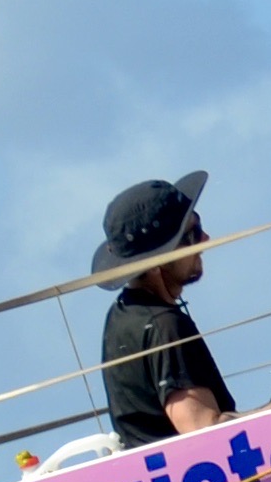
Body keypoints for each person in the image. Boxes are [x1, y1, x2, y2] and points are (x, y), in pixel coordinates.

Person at [90, 174, 235, 446]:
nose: (205, 239)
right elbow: (206, 434)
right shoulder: (164, 326)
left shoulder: (123, 313)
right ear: (156, 262)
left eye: (198, 224)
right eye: (190, 236)